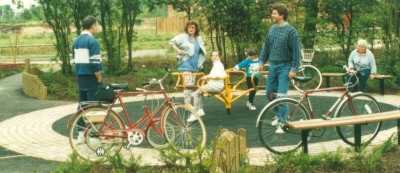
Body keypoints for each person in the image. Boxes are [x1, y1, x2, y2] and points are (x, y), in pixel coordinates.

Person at [258, 3, 301, 133]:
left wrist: (294, 68)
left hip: (285, 66)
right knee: (269, 93)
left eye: (274, 13)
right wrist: (261, 61)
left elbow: (296, 52)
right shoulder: (272, 29)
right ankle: (279, 115)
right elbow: (266, 46)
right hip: (273, 65)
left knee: (281, 95)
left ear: (281, 15)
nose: (272, 15)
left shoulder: (291, 31)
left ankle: (283, 122)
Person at [72, 16, 102, 142]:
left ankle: (80, 134)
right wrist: (99, 77)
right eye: (97, 24)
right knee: (93, 107)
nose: (98, 27)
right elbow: (95, 63)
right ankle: (94, 136)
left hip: (80, 77)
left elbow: (73, 61)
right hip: (91, 78)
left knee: (82, 106)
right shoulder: (92, 42)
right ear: (93, 26)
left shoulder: (76, 41)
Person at [170, 21, 206, 116]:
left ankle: (193, 106)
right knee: (188, 86)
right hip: (185, 64)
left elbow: (201, 51)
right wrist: (179, 51)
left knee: (193, 86)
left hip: (195, 66)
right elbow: (172, 42)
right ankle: (187, 105)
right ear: (187, 28)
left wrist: (200, 63)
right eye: (189, 27)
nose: (191, 29)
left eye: (193, 27)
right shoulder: (183, 36)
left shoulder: (198, 38)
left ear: (196, 29)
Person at [187, 51, 226, 122]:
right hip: (213, 85)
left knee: (196, 93)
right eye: (213, 56)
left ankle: (195, 114)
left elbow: (220, 76)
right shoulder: (216, 64)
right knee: (198, 92)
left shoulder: (218, 65)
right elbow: (215, 75)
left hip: (216, 86)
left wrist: (207, 77)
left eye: (216, 56)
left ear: (219, 57)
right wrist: (207, 77)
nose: (214, 57)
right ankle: (200, 110)